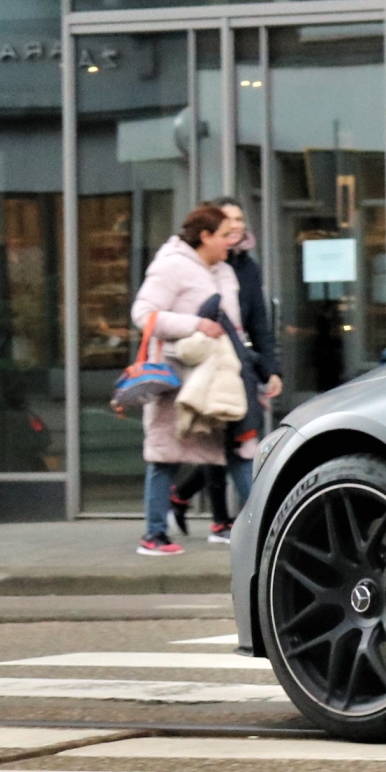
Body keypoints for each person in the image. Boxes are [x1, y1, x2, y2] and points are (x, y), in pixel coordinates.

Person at [129, 204, 251, 557]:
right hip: (178, 374)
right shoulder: (171, 266)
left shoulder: (225, 271)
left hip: (221, 376)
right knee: (165, 453)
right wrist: (194, 325)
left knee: (241, 446)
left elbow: (235, 324)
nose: (232, 241)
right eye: (225, 234)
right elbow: (144, 314)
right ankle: (153, 535)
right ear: (205, 236)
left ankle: (268, 526)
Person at [170, 197, 280, 543]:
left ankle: (189, 498)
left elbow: (258, 322)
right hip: (209, 363)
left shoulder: (246, 267)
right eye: (229, 219)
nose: (236, 226)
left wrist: (270, 369)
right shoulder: (197, 264)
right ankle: (223, 520)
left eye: (240, 219)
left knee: (234, 443)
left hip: (239, 363)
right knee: (223, 442)